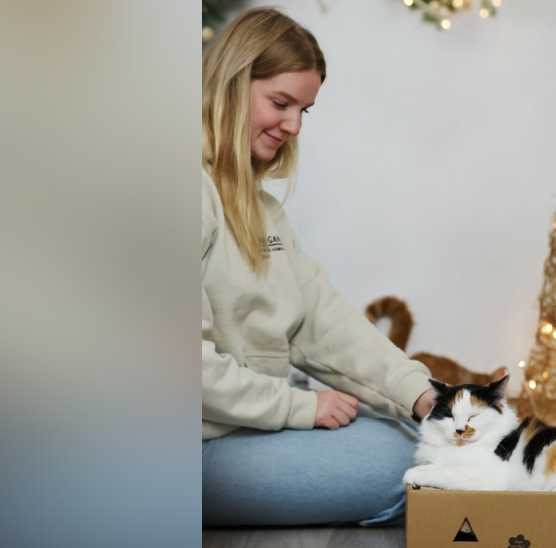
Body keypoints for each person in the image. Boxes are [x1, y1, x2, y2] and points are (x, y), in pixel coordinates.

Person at [201, 8, 436, 527]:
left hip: (242, 427)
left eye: (305, 110)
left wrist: (420, 393)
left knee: (418, 435)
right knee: (406, 466)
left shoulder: (263, 210)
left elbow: (320, 321)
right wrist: (298, 409)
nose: (294, 125)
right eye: (281, 103)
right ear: (231, 85)